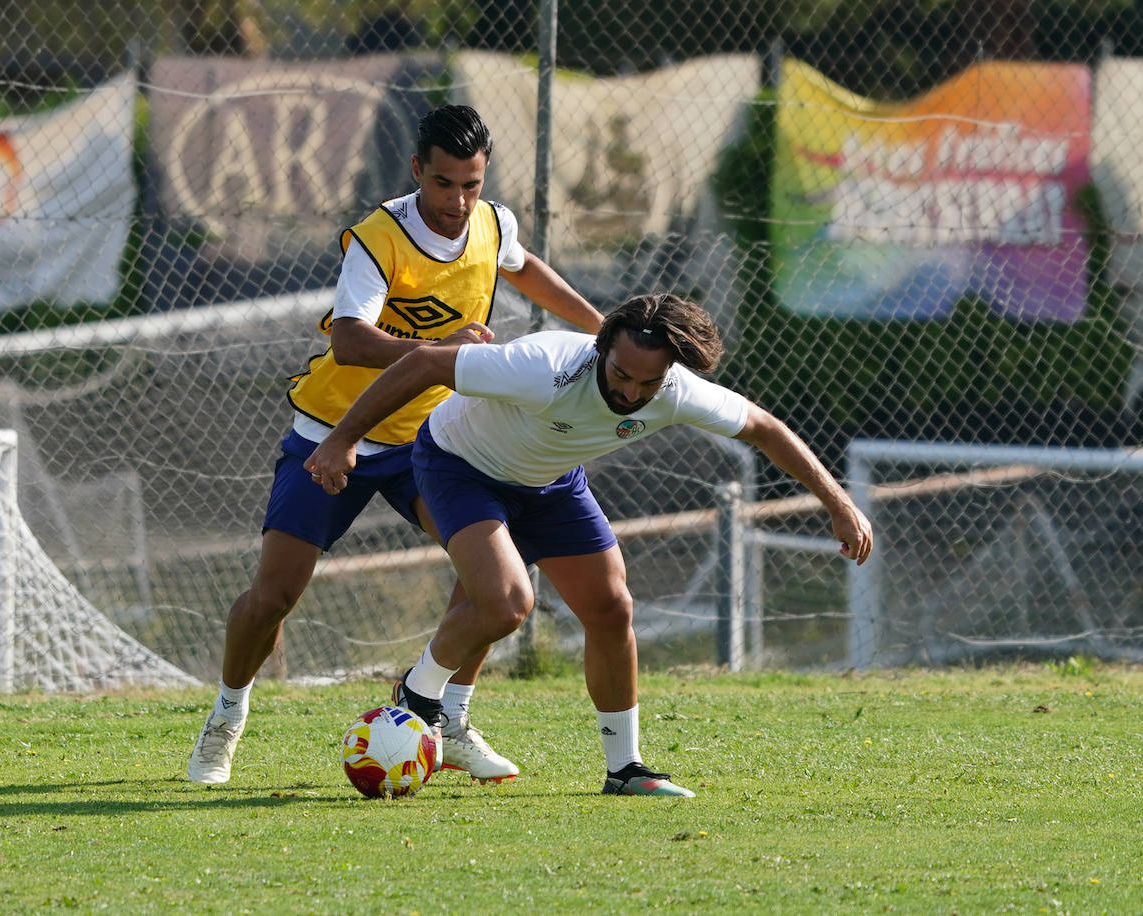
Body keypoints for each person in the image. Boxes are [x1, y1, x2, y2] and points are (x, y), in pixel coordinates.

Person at [305, 292, 874, 797]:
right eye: (622, 373)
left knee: (611, 607)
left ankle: (624, 768)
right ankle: (420, 694)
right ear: (602, 347)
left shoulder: (675, 392)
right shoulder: (543, 366)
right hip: (461, 465)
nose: (631, 392)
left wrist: (839, 503)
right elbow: (426, 363)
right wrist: (342, 440)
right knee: (506, 603)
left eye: (647, 383)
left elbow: (765, 428)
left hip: (551, 482)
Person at [187, 104, 603, 785]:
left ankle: (448, 717)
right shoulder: (380, 235)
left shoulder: (493, 224)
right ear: (417, 171)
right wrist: (439, 351)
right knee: (273, 597)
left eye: (471, 184)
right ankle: (227, 716)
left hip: (434, 444)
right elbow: (349, 339)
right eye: (443, 184)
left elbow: (525, 268)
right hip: (333, 433)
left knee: (491, 584)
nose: (458, 200)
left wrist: (605, 330)